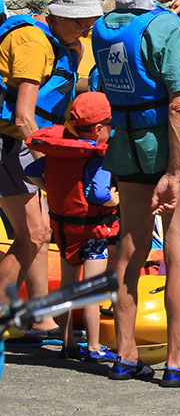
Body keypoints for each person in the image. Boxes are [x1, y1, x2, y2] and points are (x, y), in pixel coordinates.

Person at [91, 0, 180, 387]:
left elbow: (98, 80)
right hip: (168, 151)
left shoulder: (104, 26)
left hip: (125, 145)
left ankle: (124, 356)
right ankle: (177, 363)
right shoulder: (168, 28)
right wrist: (175, 170)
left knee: (129, 247)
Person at [0, 0, 103, 336]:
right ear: (56, 15)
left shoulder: (64, 43)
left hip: (19, 147)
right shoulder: (31, 42)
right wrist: (45, 163)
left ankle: (37, 318)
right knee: (34, 235)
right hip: (11, 145)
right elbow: (24, 116)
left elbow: (59, 88)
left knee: (37, 233)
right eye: (79, 22)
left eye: (89, 23)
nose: (85, 30)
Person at [24, 92, 119, 361]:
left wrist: (50, 190)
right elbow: (99, 195)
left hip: (64, 230)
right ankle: (93, 347)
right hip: (92, 233)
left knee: (68, 288)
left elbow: (30, 172)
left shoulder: (60, 150)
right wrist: (117, 199)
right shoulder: (97, 157)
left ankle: (68, 344)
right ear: (100, 129)